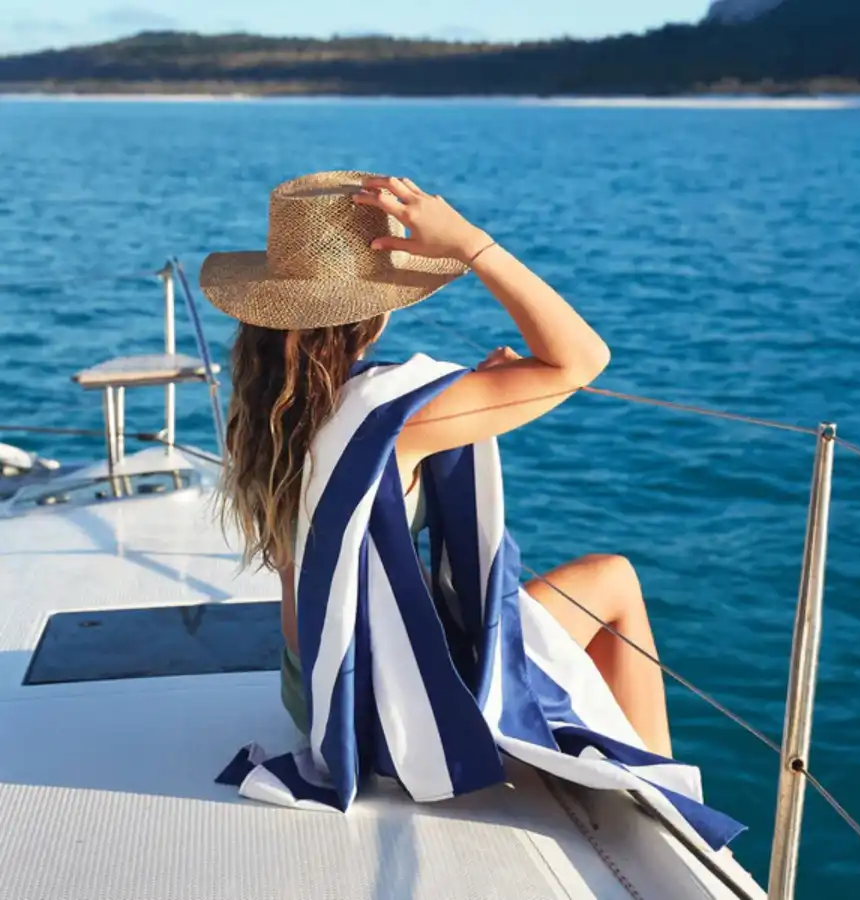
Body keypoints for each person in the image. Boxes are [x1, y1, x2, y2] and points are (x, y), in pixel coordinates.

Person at [204, 171, 672, 759]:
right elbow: (582, 360)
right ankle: (661, 788)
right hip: (387, 707)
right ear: (376, 314)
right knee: (613, 579)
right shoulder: (391, 417)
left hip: (315, 688)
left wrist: (474, 395)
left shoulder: (272, 408)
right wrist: (473, 244)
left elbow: (368, 499)